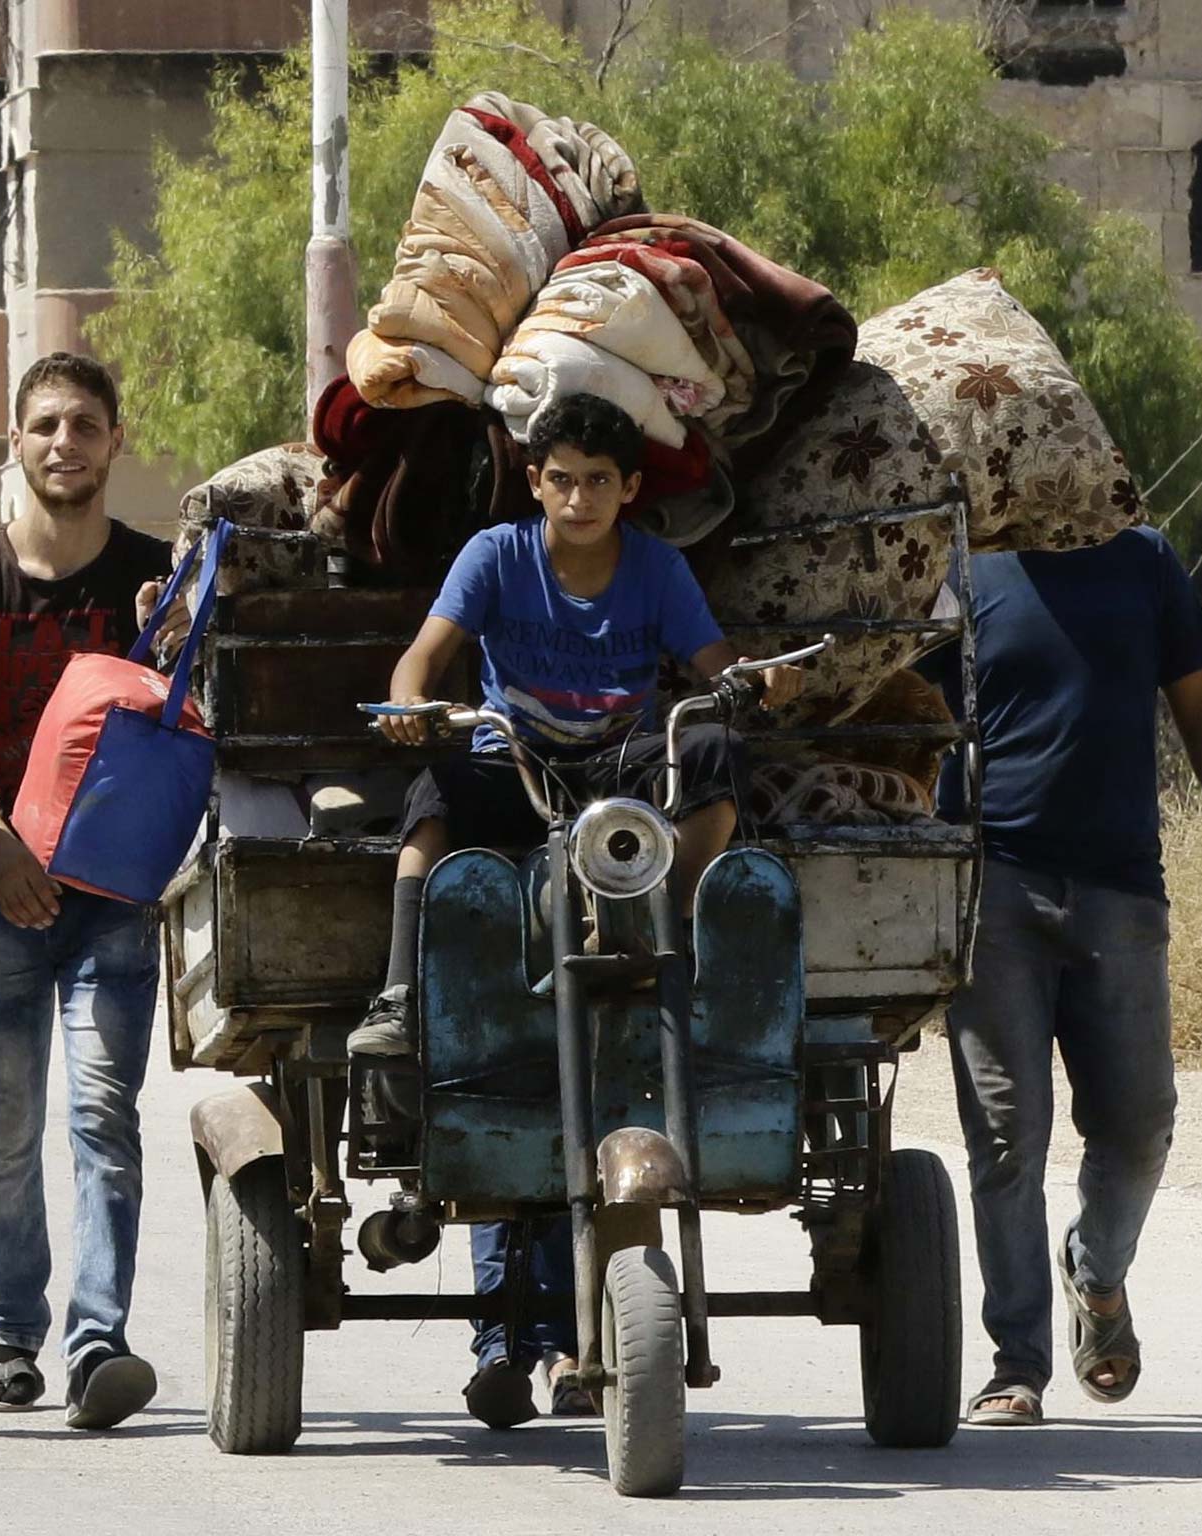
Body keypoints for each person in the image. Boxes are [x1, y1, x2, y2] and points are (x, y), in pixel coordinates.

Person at [350, 392, 800, 1428]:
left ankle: (669, 934)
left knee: (716, 761)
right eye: (563, 479)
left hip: (622, 775)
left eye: (601, 480)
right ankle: (395, 980)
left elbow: (708, 666)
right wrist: (416, 705)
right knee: (430, 803)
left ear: (629, 489)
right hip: (513, 761)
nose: (581, 496)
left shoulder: (654, 567)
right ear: (534, 481)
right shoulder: (496, 555)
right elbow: (424, 658)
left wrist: (742, 688)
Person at [926, 524, 1202, 1427]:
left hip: (1121, 885)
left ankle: (1098, 1270)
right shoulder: (958, 568)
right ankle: (1017, 1365)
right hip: (991, 883)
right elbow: (903, 708)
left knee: (1140, 1123)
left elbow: (1198, 703)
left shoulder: (1144, 561)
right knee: (1007, 1139)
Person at [0, 351, 174, 1430]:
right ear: (14, 445)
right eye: (44, 426)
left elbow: (191, 728)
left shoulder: (157, 576)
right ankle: (9, 1335)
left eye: (83, 424)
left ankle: (96, 1341)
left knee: (102, 1114)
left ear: (115, 440)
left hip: (115, 897)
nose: (63, 442)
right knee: (5, 1126)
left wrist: (181, 633)